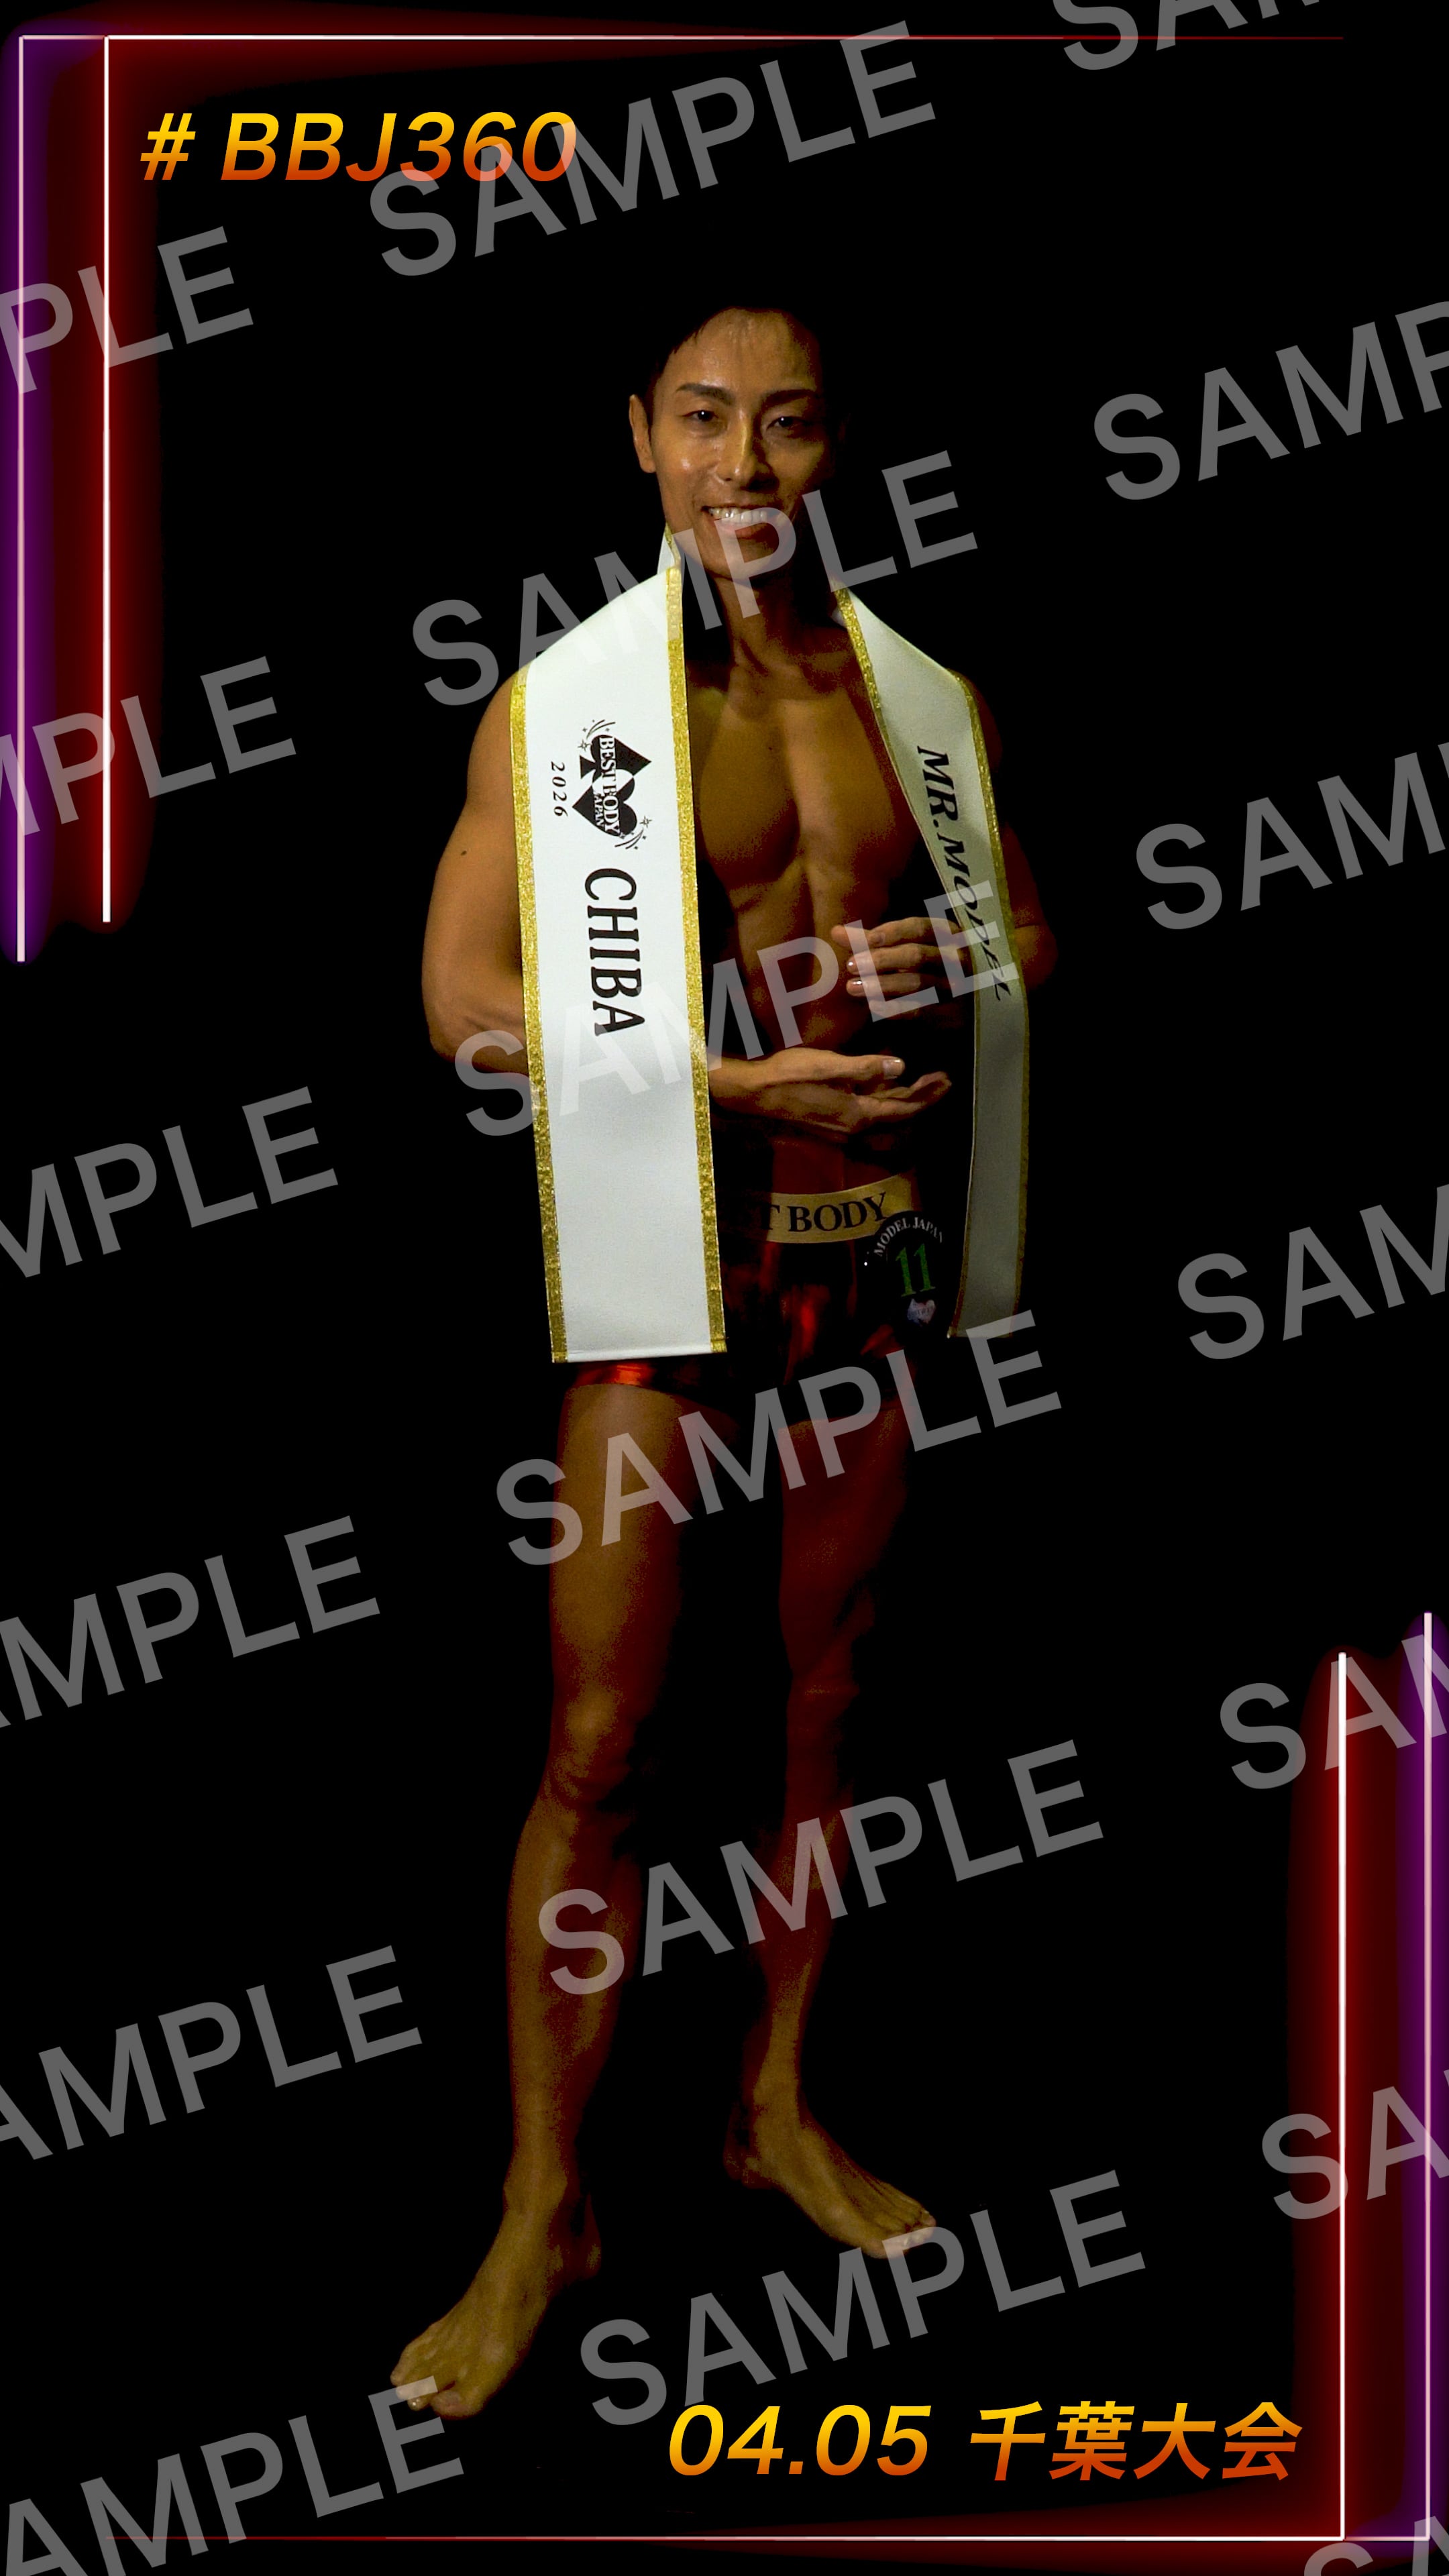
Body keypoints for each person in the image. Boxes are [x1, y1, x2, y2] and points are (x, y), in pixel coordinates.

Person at [394, 294, 1057, 2421]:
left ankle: (773, 2108)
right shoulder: (566, 706)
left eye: (784, 426)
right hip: (670, 1256)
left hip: (871, 1249)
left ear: (834, 447)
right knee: (601, 1742)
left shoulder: (915, 701)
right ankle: (544, 2207)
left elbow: (1033, 937)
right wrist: (722, 1077)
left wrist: (949, 957)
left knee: (829, 1709)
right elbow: (462, 1003)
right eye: (704, 422)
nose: (742, 467)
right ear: (641, 438)